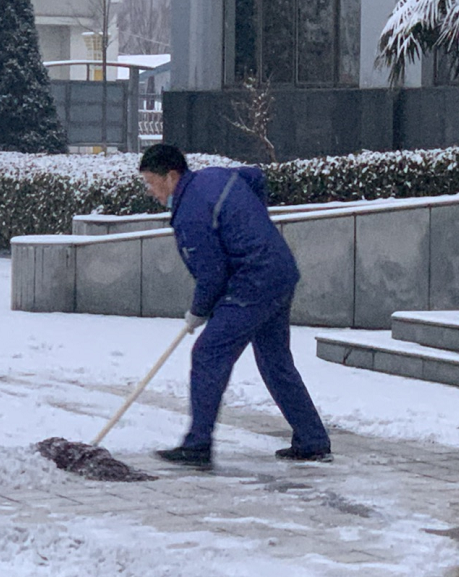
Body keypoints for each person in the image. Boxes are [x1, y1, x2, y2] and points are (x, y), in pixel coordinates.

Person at [138, 144, 332, 470]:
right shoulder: (214, 176)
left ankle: (198, 445)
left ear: (170, 177)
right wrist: (256, 227)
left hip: (252, 282)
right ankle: (312, 440)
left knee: (208, 353)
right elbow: (255, 177)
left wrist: (197, 312)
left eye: (151, 182)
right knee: (275, 362)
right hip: (279, 271)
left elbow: (212, 274)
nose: (150, 191)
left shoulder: (190, 213)